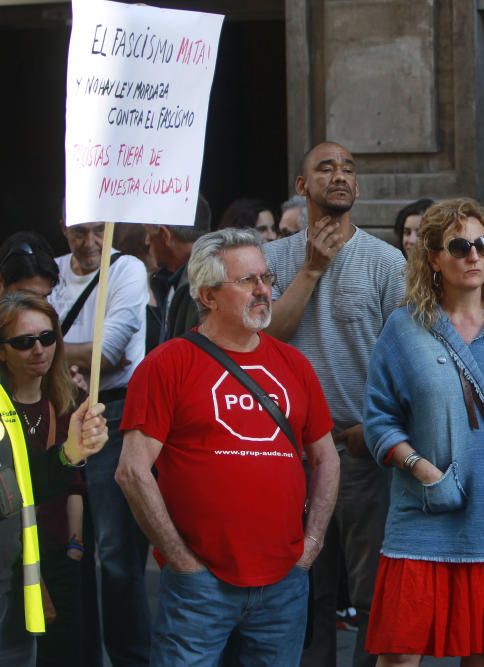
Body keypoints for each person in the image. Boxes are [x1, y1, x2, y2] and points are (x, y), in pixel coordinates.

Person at [115, 228, 341, 666]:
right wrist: (180, 560)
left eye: (266, 278)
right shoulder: (167, 365)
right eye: (247, 281)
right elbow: (132, 471)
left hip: (283, 582)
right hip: (200, 586)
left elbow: (326, 457)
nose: (263, 290)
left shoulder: (293, 364)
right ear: (208, 295)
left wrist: (311, 545)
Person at [363, 197, 484, 666]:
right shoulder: (404, 326)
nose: (474, 255)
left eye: (482, 244)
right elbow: (379, 419)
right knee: (399, 655)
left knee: (481, 654)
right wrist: (423, 469)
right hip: (422, 513)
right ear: (433, 257)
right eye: (459, 246)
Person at [263, 141, 406, 667]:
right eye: (325, 168)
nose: (339, 176)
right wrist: (311, 270)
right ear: (302, 186)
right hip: (291, 455)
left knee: (373, 594)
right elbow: (265, 342)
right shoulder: (272, 260)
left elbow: (408, 359)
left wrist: (380, 429)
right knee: (305, 594)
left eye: (348, 169)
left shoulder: (387, 262)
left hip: (362, 451)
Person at [48, 219, 151, 665]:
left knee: (116, 554)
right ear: (63, 228)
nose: (89, 243)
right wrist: (64, 354)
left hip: (114, 413)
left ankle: (131, 658)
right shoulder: (52, 271)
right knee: (71, 547)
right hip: (60, 413)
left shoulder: (126, 269)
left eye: (97, 232)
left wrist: (46, 348)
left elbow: (106, 354)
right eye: (78, 232)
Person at [0, 293, 108, 667]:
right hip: (11, 564)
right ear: (2, 351)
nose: (38, 349)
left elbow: (57, 479)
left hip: (54, 553)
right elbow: (15, 489)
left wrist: (75, 544)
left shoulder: (67, 395)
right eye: (24, 342)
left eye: (47, 338)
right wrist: (68, 454)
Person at [146, 194, 213, 344]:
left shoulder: (200, 287)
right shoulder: (178, 279)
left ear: (165, 235)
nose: (147, 241)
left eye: (148, 234)